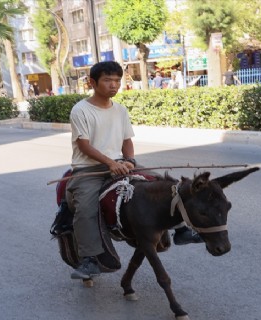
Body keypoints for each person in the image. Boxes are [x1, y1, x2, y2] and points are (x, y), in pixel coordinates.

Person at [66, 61, 202, 280]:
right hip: (88, 168)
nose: (113, 85)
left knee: (164, 183)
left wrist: (129, 160)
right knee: (86, 207)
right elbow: (84, 145)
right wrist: (111, 163)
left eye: (117, 81)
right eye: (108, 80)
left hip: (120, 163)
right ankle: (90, 259)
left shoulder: (120, 110)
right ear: (92, 82)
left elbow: (126, 139)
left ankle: (181, 229)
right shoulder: (81, 110)